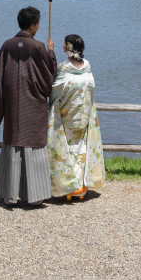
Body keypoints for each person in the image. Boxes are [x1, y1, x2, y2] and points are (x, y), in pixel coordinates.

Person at [0, 5, 57, 207]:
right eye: (38, 24)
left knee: (13, 145)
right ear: (34, 25)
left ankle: (10, 195)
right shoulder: (38, 47)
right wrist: (51, 52)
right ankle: (34, 196)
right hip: (33, 105)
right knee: (33, 146)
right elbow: (49, 77)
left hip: (12, 104)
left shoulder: (7, 45)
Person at [47, 33, 105, 202]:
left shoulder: (64, 69)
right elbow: (91, 91)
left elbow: (54, 90)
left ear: (68, 47)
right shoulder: (87, 69)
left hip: (68, 114)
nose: (63, 46)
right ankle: (82, 185)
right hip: (84, 113)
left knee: (68, 147)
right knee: (81, 147)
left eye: (65, 44)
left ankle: (69, 186)